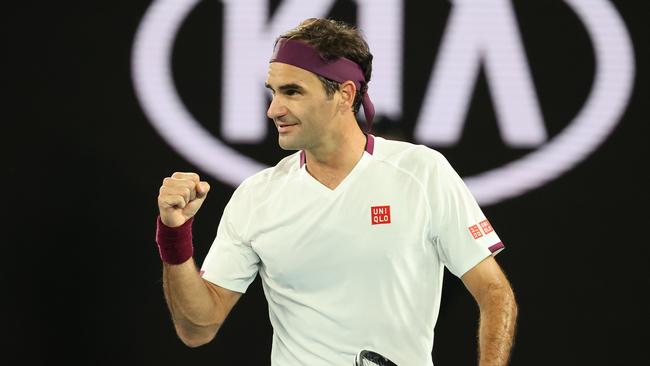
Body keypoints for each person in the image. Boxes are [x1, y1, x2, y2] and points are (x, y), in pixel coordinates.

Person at [155, 18, 518, 366]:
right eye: (274, 92)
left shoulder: (423, 172)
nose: (273, 110)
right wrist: (175, 235)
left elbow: (495, 294)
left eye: (292, 92)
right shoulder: (256, 196)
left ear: (344, 94)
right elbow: (197, 329)